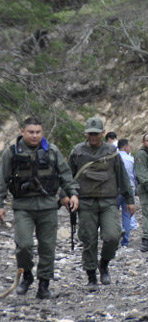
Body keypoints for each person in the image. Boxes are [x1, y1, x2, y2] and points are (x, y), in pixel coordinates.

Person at [0, 117, 79, 299]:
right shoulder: (11, 153)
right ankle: (26, 274)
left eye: (38, 132)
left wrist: (73, 193)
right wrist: (1, 205)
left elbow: (65, 175)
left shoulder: (52, 151)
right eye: (31, 132)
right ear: (23, 132)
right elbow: (2, 181)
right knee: (24, 245)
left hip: (48, 207)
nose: (35, 136)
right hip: (23, 208)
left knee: (47, 247)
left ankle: (44, 284)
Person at [69, 116, 135, 289]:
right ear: (85, 133)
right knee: (89, 240)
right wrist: (69, 195)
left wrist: (130, 199)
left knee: (113, 236)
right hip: (86, 203)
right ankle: (91, 276)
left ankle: (104, 264)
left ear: (103, 133)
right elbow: (68, 177)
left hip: (108, 202)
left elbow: (122, 177)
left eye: (96, 134)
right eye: (90, 134)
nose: (93, 137)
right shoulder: (77, 152)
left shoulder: (112, 152)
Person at [116, 138, 136, 247]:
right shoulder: (131, 159)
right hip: (129, 189)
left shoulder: (113, 158)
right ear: (125, 147)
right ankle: (125, 241)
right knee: (127, 215)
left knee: (113, 214)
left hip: (116, 189)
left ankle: (114, 234)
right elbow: (135, 175)